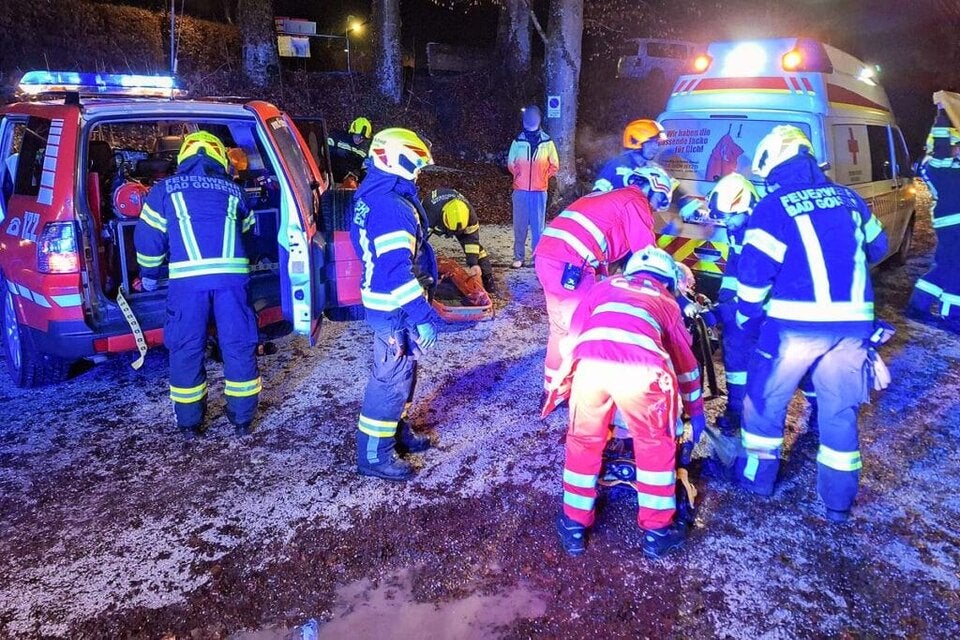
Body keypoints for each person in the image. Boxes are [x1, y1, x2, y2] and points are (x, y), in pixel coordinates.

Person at [731, 125, 888, 522]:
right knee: (839, 411)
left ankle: (756, 479)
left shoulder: (773, 206)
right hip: (853, 327)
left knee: (765, 401)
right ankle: (838, 503)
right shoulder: (849, 198)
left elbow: (753, 275)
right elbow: (879, 247)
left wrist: (746, 316)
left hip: (793, 327)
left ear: (774, 164)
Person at [548, 247, 706, 559]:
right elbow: (685, 362)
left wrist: (563, 384)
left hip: (591, 367)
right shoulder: (667, 301)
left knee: (583, 441)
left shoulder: (603, 287)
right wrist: (695, 410)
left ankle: (574, 526)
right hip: (641, 372)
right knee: (654, 444)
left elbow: (574, 335)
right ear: (669, 281)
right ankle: (657, 533)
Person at [134, 131, 261, 437]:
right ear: (220, 158)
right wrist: (250, 261)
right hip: (232, 282)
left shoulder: (163, 190)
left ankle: (190, 422)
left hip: (187, 284)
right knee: (238, 344)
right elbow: (251, 235)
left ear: (184, 157)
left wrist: (149, 276)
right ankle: (242, 419)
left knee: (186, 347)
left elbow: (149, 238)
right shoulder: (234, 191)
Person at [534, 165, 675, 393]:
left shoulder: (610, 197)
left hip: (548, 257)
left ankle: (553, 389)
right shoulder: (636, 201)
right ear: (653, 186)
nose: (657, 208)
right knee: (586, 330)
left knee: (561, 328)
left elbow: (598, 245)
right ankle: (586, 396)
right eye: (661, 199)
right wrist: (668, 288)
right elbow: (646, 255)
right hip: (572, 264)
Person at [350, 127, 441, 482]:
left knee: (403, 373)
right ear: (394, 159)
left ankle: (395, 431)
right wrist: (423, 316)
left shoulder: (375, 193)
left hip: (388, 306)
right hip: (393, 307)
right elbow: (396, 272)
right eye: (414, 163)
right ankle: (375, 455)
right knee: (389, 380)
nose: (418, 171)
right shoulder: (391, 206)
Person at [707, 173, 760, 434]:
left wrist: (724, 310)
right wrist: (725, 299)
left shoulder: (762, 233)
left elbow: (760, 284)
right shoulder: (738, 228)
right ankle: (737, 411)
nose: (725, 222)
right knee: (735, 353)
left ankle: (817, 416)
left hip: (771, 308)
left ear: (746, 208)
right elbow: (734, 267)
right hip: (747, 304)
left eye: (728, 216)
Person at [907, 108, 960, 332]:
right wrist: (943, 116)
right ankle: (952, 315)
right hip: (951, 225)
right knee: (956, 269)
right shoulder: (936, 163)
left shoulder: (951, 165)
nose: (959, 148)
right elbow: (942, 147)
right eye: (956, 145)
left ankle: (918, 305)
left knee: (947, 267)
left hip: (953, 224)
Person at [507, 105, 559, 268]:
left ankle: (537, 258)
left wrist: (542, 177)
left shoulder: (547, 142)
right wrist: (519, 176)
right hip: (520, 190)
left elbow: (554, 165)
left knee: (538, 227)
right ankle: (518, 257)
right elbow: (511, 163)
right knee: (520, 226)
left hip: (539, 191)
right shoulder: (518, 141)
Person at [422, 187, 496, 294]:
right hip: (433, 216)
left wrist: (473, 264)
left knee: (475, 248)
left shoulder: (470, 215)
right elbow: (419, 241)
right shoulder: (429, 213)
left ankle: (487, 277)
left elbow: (472, 242)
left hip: (454, 221)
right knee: (419, 248)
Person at [593, 119, 666, 193]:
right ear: (635, 141)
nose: (656, 147)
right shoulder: (616, 166)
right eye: (650, 143)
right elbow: (596, 195)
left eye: (657, 142)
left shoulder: (653, 168)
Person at [327, 116, 372, 183]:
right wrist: (336, 153)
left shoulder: (364, 151)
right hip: (329, 177)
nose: (359, 139)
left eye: (362, 138)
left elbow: (366, 169)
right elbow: (324, 151)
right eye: (357, 136)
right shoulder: (337, 137)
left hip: (348, 184)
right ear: (352, 132)